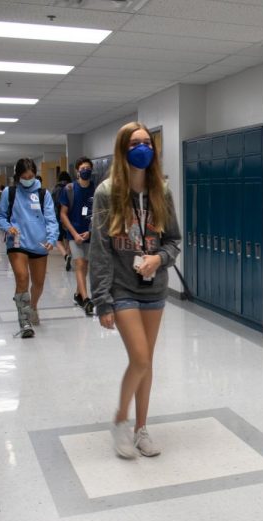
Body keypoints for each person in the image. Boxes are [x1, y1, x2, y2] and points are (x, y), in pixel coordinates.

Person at [90, 122, 181, 459]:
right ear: (122, 149)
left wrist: (159, 258)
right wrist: (102, 301)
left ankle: (141, 428)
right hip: (122, 287)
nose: (142, 149)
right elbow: (99, 250)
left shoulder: (162, 192)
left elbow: (174, 240)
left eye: (147, 143)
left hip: (154, 287)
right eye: (134, 143)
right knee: (140, 358)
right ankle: (119, 421)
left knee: (146, 362)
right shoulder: (106, 192)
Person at [0, 158, 59, 338]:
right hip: (17, 242)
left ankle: (33, 306)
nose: (27, 179)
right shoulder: (10, 192)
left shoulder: (43, 193)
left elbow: (51, 219)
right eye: (24, 176)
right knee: (22, 278)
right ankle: (24, 321)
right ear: (17, 176)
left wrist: (52, 239)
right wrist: (8, 227)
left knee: (38, 283)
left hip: (39, 242)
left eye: (30, 176)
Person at [59, 158, 96, 315]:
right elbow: (63, 214)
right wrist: (74, 234)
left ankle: (77, 294)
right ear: (77, 171)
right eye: (82, 168)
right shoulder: (69, 189)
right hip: (74, 234)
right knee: (80, 264)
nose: (85, 170)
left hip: (90, 234)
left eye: (88, 167)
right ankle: (86, 299)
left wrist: (91, 232)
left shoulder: (96, 190)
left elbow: (100, 214)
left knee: (85, 266)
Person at [52, 171, 73, 271]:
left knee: (58, 239)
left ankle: (65, 255)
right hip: (69, 217)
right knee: (68, 238)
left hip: (58, 216)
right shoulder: (71, 188)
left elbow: (53, 204)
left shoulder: (56, 189)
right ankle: (69, 253)